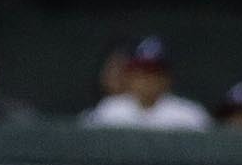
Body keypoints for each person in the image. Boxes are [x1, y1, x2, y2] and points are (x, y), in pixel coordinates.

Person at [81, 36, 211, 130]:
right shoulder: (110, 110)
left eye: (154, 73)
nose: (147, 80)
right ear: (128, 77)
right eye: (140, 73)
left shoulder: (189, 115)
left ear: (167, 79)